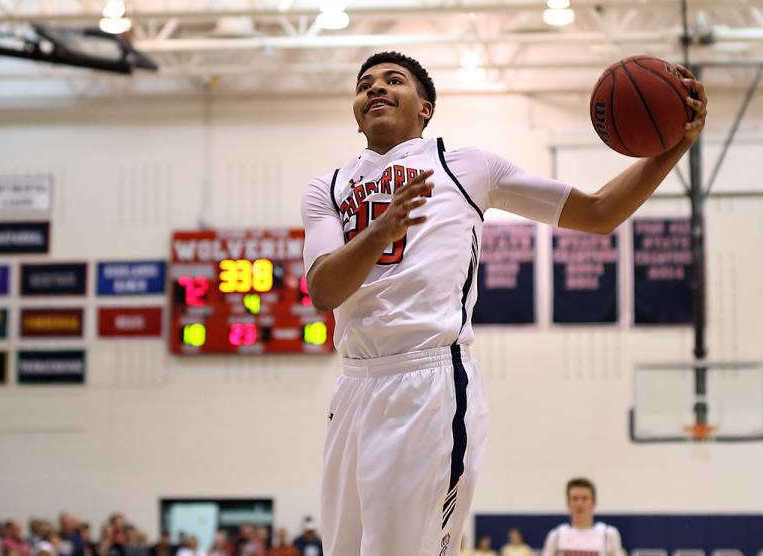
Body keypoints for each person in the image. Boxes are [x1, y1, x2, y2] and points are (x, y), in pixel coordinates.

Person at [303, 52, 707, 555]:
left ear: (425, 108)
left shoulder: (468, 165)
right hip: (354, 386)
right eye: (366, 84)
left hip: (428, 382)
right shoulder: (328, 187)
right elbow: (323, 290)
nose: (376, 88)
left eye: (393, 80)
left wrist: (672, 148)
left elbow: (599, 212)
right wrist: (381, 230)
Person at [540, 478, 624, 556]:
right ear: (568, 504)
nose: (579, 503)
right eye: (575, 499)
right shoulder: (556, 535)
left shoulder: (608, 534)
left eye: (584, 498)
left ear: (593, 503)